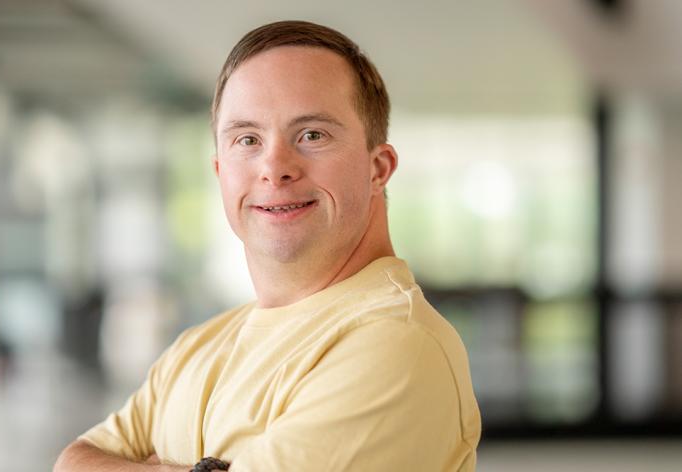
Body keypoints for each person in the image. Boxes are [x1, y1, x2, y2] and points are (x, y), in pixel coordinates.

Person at [54, 20, 481, 472]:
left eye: (311, 135)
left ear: (378, 168)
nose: (274, 168)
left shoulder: (397, 344)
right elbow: (72, 463)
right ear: (221, 171)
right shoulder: (196, 347)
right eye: (248, 140)